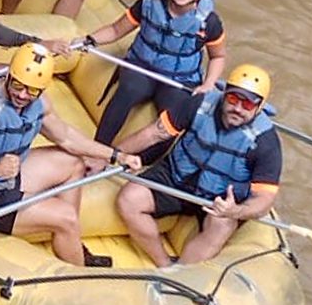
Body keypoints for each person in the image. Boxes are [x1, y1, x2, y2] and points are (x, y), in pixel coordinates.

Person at [0, 44, 142, 266]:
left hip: (6, 176)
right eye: (18, 86)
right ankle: (78, 269)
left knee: (73, 163)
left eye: (32, 90)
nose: (22, 95)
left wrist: (117, 155)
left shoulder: (38, 103)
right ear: (8, 76)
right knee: (66, 217)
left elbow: (67, 138)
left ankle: (71, 242)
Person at [113, 64, 282, 267]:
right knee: (129, 200)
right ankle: (164, 264)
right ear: (224, 93)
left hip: (219, 199)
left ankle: (181, 273)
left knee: (222, 226)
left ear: (260, 107)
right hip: (176, 176)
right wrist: (112, 155)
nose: (237, 108)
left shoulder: (266, 142)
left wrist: (234, 210)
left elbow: (264, 198)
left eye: (247, 105)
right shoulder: (198, 104)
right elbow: (154, 134)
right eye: (233, 99)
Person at [80, 0, 226, 143]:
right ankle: (98, 146)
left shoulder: (209, 22)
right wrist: (89, 40)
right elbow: (116, 29)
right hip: (142, 66)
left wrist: (207, 84)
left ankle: (139, 161)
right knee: (128, 89)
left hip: (180, 78)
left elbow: (218, 56)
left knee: (173, 118)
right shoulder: (149, 3)